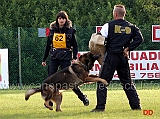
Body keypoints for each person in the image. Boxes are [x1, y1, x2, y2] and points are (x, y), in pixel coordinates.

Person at [91, 4, 144, 112]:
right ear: (124, 14)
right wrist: (128, 48)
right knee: (127, 82)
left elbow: (98, 39)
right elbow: (140, 39)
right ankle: (136, 106)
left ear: (115, 14)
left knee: (102, 81)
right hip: (123, 57)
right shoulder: (131, 27)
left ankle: (100, 107)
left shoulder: (108, 25)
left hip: (111, 56)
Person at [42, 11, 89, 106]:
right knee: (50, 80)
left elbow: (75, 46)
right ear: (57, 20)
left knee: (71, 81)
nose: (61, 20)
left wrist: (75, 57)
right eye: (59, 18)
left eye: (63, 18)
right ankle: (49, 100)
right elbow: (48, 46)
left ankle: (83, 97)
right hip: (54, 57)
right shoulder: (52, 31)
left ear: (66, 20)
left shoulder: (70, 31)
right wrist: (44, 59)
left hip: (65, 58)